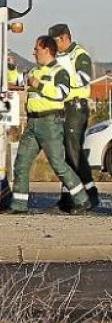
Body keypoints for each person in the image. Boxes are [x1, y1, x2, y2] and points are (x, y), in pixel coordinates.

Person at [7, 36, 91, 214]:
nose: (33, 52)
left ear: (46, 50)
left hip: (50, 123)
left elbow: (61, 93)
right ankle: (18, 205)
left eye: (36, 49)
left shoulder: (59, 71)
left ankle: (82, 200)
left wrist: (38, 85)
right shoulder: (34, 71)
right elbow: (16, 82)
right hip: (32, 123)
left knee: (58, 164)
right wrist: (12, 67)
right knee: (21, 163)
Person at [50, 23, 100, 209]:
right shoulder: (60, 56)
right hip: (63, 108)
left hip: (76, 107)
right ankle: (67, 197)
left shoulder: (79, 55)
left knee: (73, 152)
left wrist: (62, 80)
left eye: (55, 42)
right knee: (66, 155)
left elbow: (84, 78)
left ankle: (91, 193)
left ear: (64, 38)